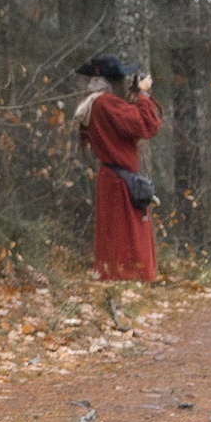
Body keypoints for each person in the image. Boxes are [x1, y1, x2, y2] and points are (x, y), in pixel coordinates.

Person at [75, 54, 161, 281]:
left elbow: (131, 124)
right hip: (119, 180)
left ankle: (122, 277)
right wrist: (142, 94)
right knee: (125, 237)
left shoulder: (101, 103)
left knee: (120, 235)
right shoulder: (104, 103)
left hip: (116, 179)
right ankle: (127, 279)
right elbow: (147, 125)